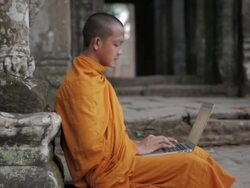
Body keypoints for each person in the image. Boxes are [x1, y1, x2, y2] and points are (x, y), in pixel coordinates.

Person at [55, 12, 236, 188]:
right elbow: (92, 153)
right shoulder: (81, 86)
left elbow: (109, 140)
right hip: (108, 172)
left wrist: (137, 144)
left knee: (197, 154)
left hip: (120, 160)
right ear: (97, 43)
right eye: (117, 44)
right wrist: (137, 148)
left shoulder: (95, 78)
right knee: (194, 166)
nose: (120, 52)